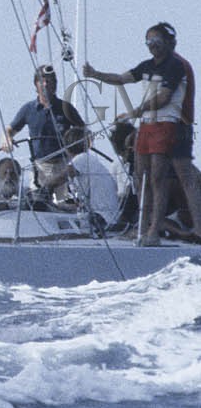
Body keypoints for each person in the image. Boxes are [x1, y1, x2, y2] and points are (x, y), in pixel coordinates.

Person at [84, 21, 196, 244]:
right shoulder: (146, 65)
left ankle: (154, 231)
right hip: (146, 124)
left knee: (157, 178)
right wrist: (95, 74)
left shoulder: (175, 66)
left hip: (165, 124)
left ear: (167, 42)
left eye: (156, 41)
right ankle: (142, 227)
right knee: (140, 176)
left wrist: (135, 111)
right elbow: (121, 79)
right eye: (149, 41)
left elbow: (164, 97)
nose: (152, 45)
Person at [2, 64, 87, 201]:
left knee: (64, 204)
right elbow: (10, 130)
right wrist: (6, 138)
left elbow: (84, 132)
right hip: (40, 167)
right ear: (36, 84)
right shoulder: (28, 109)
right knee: (38, 203)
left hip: (63, 165)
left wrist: (76, 153)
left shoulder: (66, 108)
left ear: (55, 84)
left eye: (50, 80)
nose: (46, 84)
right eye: (42, 80)